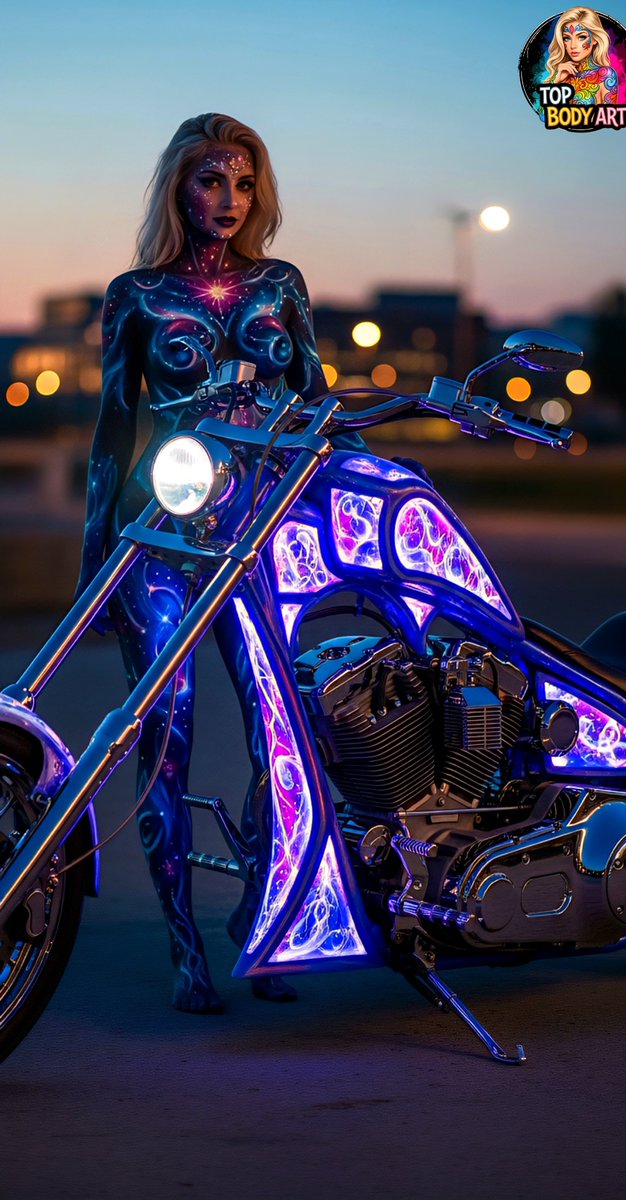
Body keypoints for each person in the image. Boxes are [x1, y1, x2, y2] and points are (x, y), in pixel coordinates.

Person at [76, 113, 360, 1013]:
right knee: (169, 739)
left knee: (286, 737)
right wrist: (95, 564)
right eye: (209, 181)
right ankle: (183, 949)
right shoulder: (136, 295)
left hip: (258, 537)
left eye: (242, 183)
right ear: (178, 188)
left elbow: (316, 409)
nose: (228, 201)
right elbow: (113, 432)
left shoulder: (281, 285)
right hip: (157, 538)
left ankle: (261, 920)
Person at [545, 7, 619, 104]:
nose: (573, 46)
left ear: (595, 39)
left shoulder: (605, 75)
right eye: (567, 38)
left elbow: (610, 117)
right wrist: (555, 80)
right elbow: (544, 116)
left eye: (581, 37)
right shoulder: (562, 75)